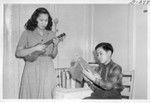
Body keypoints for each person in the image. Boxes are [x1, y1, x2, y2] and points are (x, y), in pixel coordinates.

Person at [15, 7, 59, 99]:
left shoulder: (51, 33)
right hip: (31, 67)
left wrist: (55, 45)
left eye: (46, 20)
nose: (44, 23)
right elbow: (18, 53)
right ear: (35, 19)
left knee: (47, 95)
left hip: (48, 68)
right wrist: (35, 48)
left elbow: (53, 55)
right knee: (31, 95)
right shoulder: (27, 33)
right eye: (41, 20)